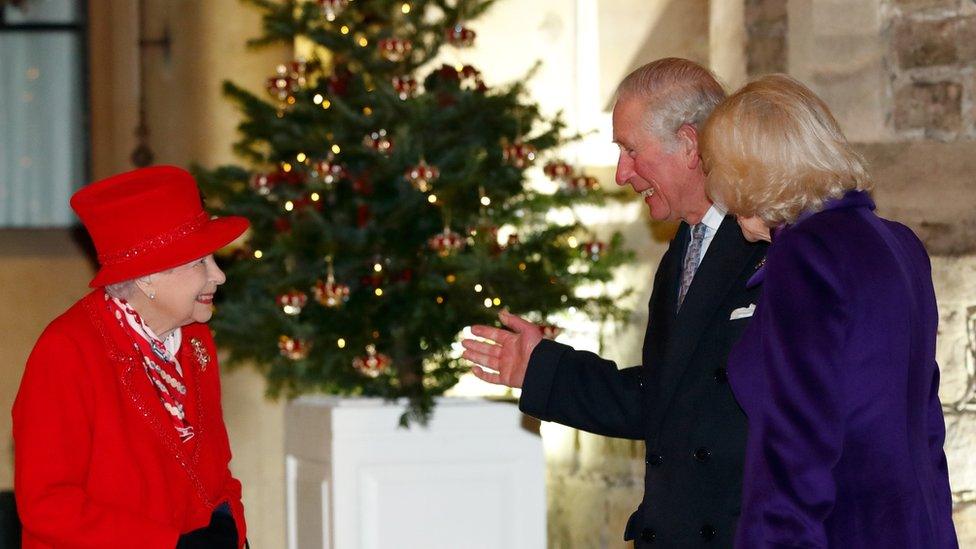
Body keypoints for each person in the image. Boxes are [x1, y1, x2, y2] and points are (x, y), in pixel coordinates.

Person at [461, 58, 769, 546]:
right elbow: (663, 396)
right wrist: (541, 369)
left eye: (630, 149)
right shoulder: (685, 248)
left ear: (688, 145)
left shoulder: (763, 240)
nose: (623, 172)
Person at [700, 74, 958, 547]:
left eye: (714, 167)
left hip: (843, 528)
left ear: (747, 171)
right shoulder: (898, 241)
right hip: (913, 528)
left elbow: (794, 447)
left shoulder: (805, 253)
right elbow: (927, 426)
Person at [13, 166, 249, 548]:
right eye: (199, 262)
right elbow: (48, 504)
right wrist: (168, 544)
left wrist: (230, 525)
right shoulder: (67, 351)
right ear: (147, 276)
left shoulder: (194, 338)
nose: (218, 275)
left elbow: (216, 470)